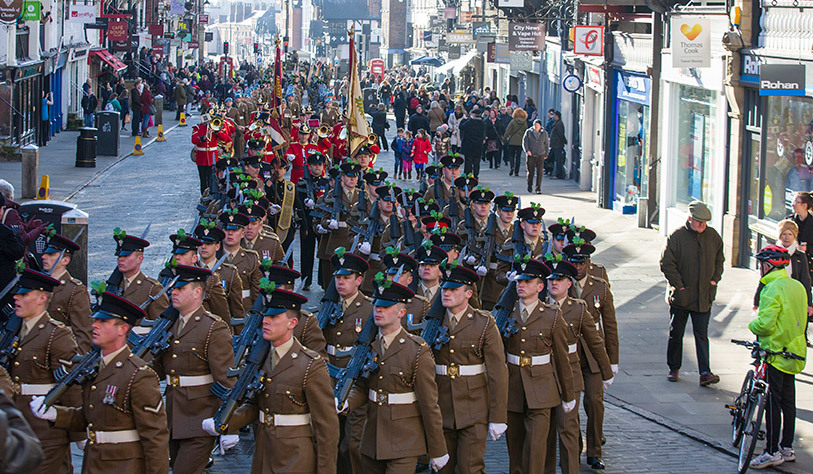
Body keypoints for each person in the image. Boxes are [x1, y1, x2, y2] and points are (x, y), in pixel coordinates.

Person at [29, 292, 170, 473]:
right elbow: (90, 417)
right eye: (96, 320)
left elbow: (154, 437)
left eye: (103, 322)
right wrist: (57, 414)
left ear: (122, 329)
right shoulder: (97, 369)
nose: (94, 325)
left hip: (124, 466)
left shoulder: (138, 375)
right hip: (94, 462)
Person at [202, 287, 339, 473]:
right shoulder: (260, 359)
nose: (265, 321)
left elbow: (326, 427)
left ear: (292, 323)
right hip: (264, 452)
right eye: (266, 316)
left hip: (295, 455)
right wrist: (225, 423)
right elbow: (255, 406)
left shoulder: (310, 365)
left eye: (274, 317)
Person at [342, 281, 449, 473]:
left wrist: (438, 449)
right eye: (376, 306)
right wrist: (346, 402)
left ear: (401, 313)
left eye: (385, 307)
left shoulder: (416, 351)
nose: (378, 310)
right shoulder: (369, 346)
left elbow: (429, 404)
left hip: (404, 442)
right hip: (372, 439)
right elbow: (363, 386)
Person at [147, 265, 235, 474]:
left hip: (200, 419)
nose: (173, 292)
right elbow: (158, 369)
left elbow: (225, 379)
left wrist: (230, 425)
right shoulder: (169, 324)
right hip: (172, 417)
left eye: (180, 288)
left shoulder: (213, 327)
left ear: (197, 293)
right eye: (173, 288)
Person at [433, 262, 508, 473]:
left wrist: (498, 416)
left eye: (453, 289)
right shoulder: (431, 321)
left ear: (467, 293)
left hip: (474, 408)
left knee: (470, 468)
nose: (446, 293)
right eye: (444, 288)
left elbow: (497, 372)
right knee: (443, 469)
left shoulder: (483, 323)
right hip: (441, 407)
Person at [504, 258, 576, 473]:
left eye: (527, 281)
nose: (521, 285)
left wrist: (568, 394)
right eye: (519, 282)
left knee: (536, 447)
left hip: (542, 390)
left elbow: (563, 359)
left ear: (540, 286)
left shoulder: (552, 316)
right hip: (513, 388)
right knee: (515, 449)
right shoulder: (504, 314)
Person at [11, 269, 81, 474]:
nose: (16, 297)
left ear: (42, 298)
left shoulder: (56, 335)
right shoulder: (14, 330)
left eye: (24, 294)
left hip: (45, 431)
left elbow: (71, 386)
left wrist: (79, 434)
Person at [748, 245, 808, 469]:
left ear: (768, 266)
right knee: (788, 401)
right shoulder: (797, 286)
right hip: (795, 352)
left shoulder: (771, 288)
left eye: (762, 265)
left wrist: (751, 322)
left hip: (775, 351)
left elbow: (764, 324)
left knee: (772, 402)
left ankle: (771, 450)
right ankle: (787, 447)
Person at [659, 200, 724, 385]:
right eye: (698, 221)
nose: (702, 225)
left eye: (704, 222)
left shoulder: (713, 237)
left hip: (704, 295)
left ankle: (705, 372)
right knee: (676, 333)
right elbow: (666, 263)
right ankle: (674, 368)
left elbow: (720, 258)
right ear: (690, 219)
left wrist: (714, 279)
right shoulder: (677, 237)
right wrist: (678, 285)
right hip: (682, 296)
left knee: (702, 335)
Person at [40, 233, 93, 352]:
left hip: (59, 352)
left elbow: (84, 332)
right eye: (45, 253)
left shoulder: (75, 290)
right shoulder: (39, 285)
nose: (44, 257)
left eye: (51, 254)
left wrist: (75, 362)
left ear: (65, 260)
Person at [753, 220, 812, 316]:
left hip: (794, 296)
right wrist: (756, 300)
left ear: (794, 236)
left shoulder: (800, 256)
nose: (787, 238)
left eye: (790, 234)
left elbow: (805, 280)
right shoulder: (772, 253)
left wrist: (809, 303)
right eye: (784, 234)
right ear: (780, 236)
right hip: (776, 295)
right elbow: (764, 279)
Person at [522, 119, 549, 194]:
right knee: (531, 171)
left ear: (540, 126)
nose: (536, 126)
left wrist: (546, 154)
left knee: (540, 172)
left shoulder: (544, 133)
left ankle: (538, 188)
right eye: (535, 125)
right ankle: (529, 185)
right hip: (531, 154)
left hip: (540, 154)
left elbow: (546, 144)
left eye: (537, 125)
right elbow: (525, 142)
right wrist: (527, 150)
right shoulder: (529, 132)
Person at [459, 108, 486, 178]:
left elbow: (461, 127)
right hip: (478, 145)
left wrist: (464, 119)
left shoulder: (469, 122)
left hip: (469, 145)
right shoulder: (482, 123)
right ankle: (476, 175)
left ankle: (468, 174)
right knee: (477, 161)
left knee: (468, 161)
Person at [502, 108, 528, 177]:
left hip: (512, 141)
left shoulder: (513, 121)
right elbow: (526, 132)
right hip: (520, 141)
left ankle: (512, 166)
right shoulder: (524, 122)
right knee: (518, 156)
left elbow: (508, 131)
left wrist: (504, 140)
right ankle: (517, 171)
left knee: (511, 155)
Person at [549, 111, 567, 179]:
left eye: (554, 115)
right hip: (555, 144)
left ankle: (559, 174)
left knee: (558, 160)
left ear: (557, 116)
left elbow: (560, 134)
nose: (553, 117)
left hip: (557, 144)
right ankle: (556, 173)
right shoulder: (556, 123)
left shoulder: (559, 124)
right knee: (553, 159)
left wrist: (564, 141)